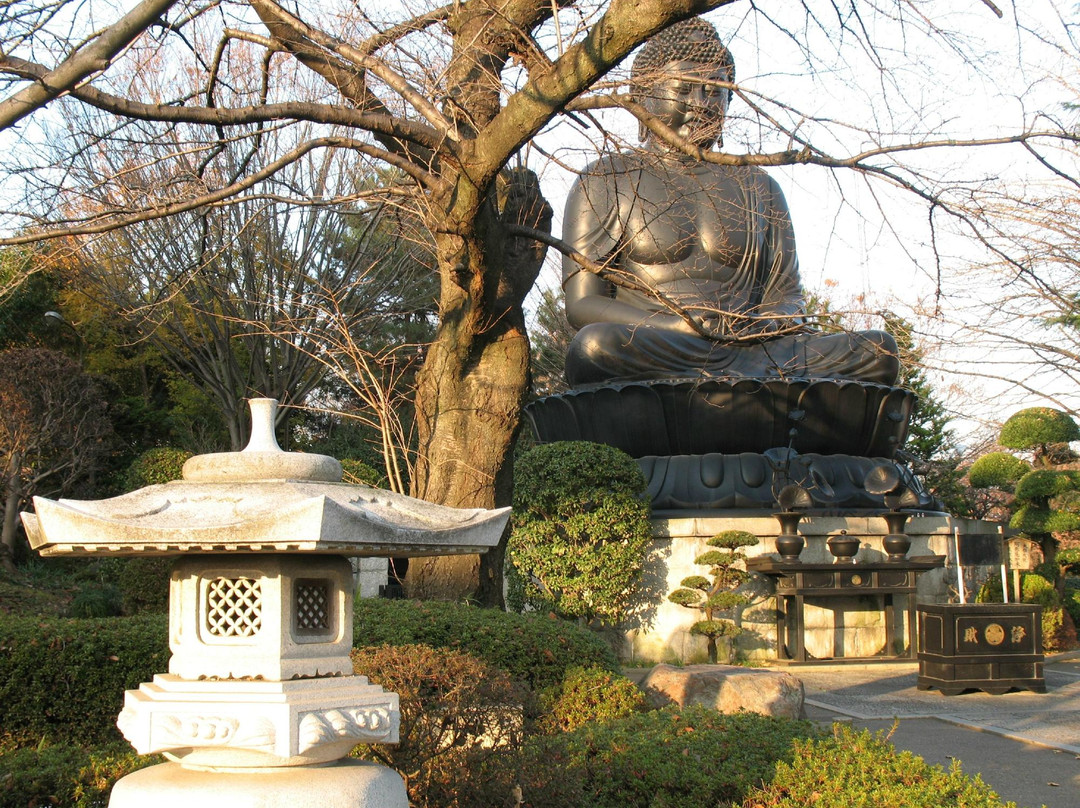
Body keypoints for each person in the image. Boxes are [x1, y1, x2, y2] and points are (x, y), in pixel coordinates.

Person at [562, 18, 899, 388]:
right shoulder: (606, 179)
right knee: (594, 347)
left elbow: (787, 296)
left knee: (876, 352)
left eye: (714, 91)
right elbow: (582, 305)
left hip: (753, 350)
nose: (701, 104)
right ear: (644, 95)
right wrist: (675, 325)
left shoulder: (760, 187)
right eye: (685, 89)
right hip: (659, 344)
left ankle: (744, 386)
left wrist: (765, 325)